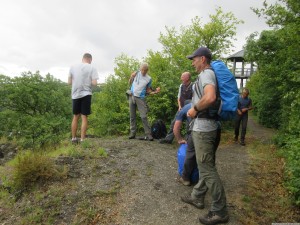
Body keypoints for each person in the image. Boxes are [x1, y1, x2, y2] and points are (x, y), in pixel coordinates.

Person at [181, 47, 229, 225]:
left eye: (194, 59)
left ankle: (220, 211)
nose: (192, 62)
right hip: (210, 126)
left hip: (204, 128)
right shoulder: (207, 74)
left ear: (202, 59)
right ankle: (197, 197)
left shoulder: (206, 74)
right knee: (206, 166)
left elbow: (210, 98)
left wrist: (194, 109)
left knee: (207, 169)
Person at [68, 53, 99, 144]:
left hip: (75, 94)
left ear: (82, 59)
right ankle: (82, 140)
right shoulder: (92, 67)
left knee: (75, 116)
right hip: (86, 94)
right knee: (84, 117)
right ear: (90, 60)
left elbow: (69, 82)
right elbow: (94, 83)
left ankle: (73, 139)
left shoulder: (73, 66)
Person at [128, 63, 160, 141]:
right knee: (132, 116)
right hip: (132, 96)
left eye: (145, 70)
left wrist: (155, 92)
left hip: (140, 98)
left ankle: (148, 134)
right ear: (140, 69)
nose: (143, 72)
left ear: (147, 70)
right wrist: (131, 76)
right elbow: (129, 83)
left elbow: (148, 90)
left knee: (143, 116)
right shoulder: (136, 73)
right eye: (142, 70)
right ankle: (132, 133)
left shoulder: (148, 79)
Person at [159, 72, 193, 144]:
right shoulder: (181, 86)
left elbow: (195, 98)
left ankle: (189, 141)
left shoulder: (193, 86)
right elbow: (179, 97)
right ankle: (168, 139)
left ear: (187, 78)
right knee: (174, 123)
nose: (181, 78)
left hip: (190, 109)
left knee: (189, 125)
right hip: (181, 108)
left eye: (182, 77)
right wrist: (180, 106)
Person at [173, 103, 198, 186]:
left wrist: (179, 139)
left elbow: (176, 127)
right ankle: (205, 179)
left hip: (195, 132)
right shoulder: (207, 102)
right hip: (212, 131)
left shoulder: (185, 108)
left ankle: (186, 178)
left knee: (190, 154)